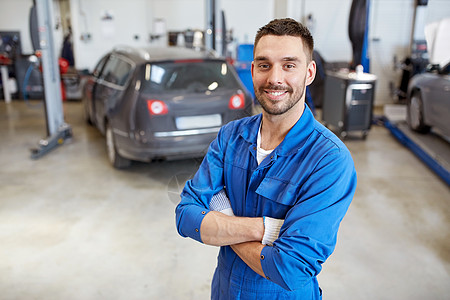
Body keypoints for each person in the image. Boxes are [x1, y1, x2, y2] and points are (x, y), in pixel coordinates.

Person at [175, 18, 357, 299]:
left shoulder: (329, 160)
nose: (274, 78)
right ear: (252, 70)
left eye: (289, 65)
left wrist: (222, 216)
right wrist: (269, 229)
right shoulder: (231, 137)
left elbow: (290, 268)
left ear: (309, 73)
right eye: (264, 65)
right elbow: (186, 216)